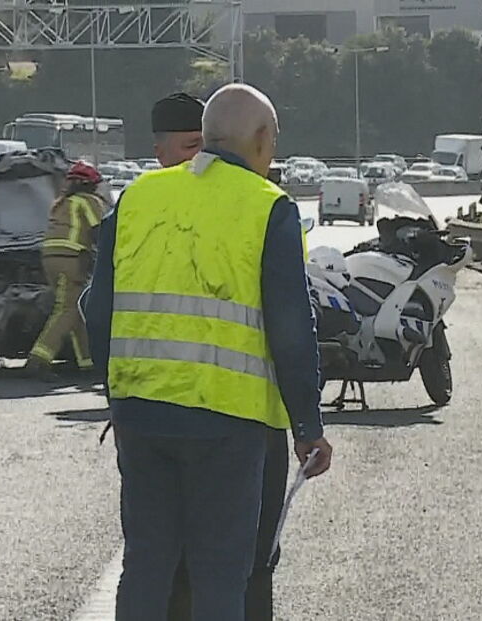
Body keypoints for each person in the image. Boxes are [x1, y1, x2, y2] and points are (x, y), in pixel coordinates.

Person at [86, 83, 332, 621]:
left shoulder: (137, 197)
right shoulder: (269, 208)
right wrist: (307, 426)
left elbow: (95, 308)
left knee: (147, 564)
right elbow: (292, 328)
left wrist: (117, 392)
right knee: (221, 572)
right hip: (228, 422)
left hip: (141, 414)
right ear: (263, 139)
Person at [148, 92, 296, 621]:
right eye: (186, 148)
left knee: (219, 563)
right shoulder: (151, 204)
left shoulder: (149, 202)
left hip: (208, 416)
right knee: (211, 564)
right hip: (208, 418)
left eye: (199, 146)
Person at [25, 161, 110, 381]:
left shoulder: (61, 203)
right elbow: (100, 231)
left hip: (51, 259)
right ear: (90, 184)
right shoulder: (88, 201)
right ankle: (39, 359)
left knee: (77, 310)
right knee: (68, 309)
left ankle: (88, 362)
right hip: (71, 259)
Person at [152, 92, 205, 167]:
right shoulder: (147, 179)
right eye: (192, 146)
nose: (206, 154)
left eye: (212, 146)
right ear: (160, 152)